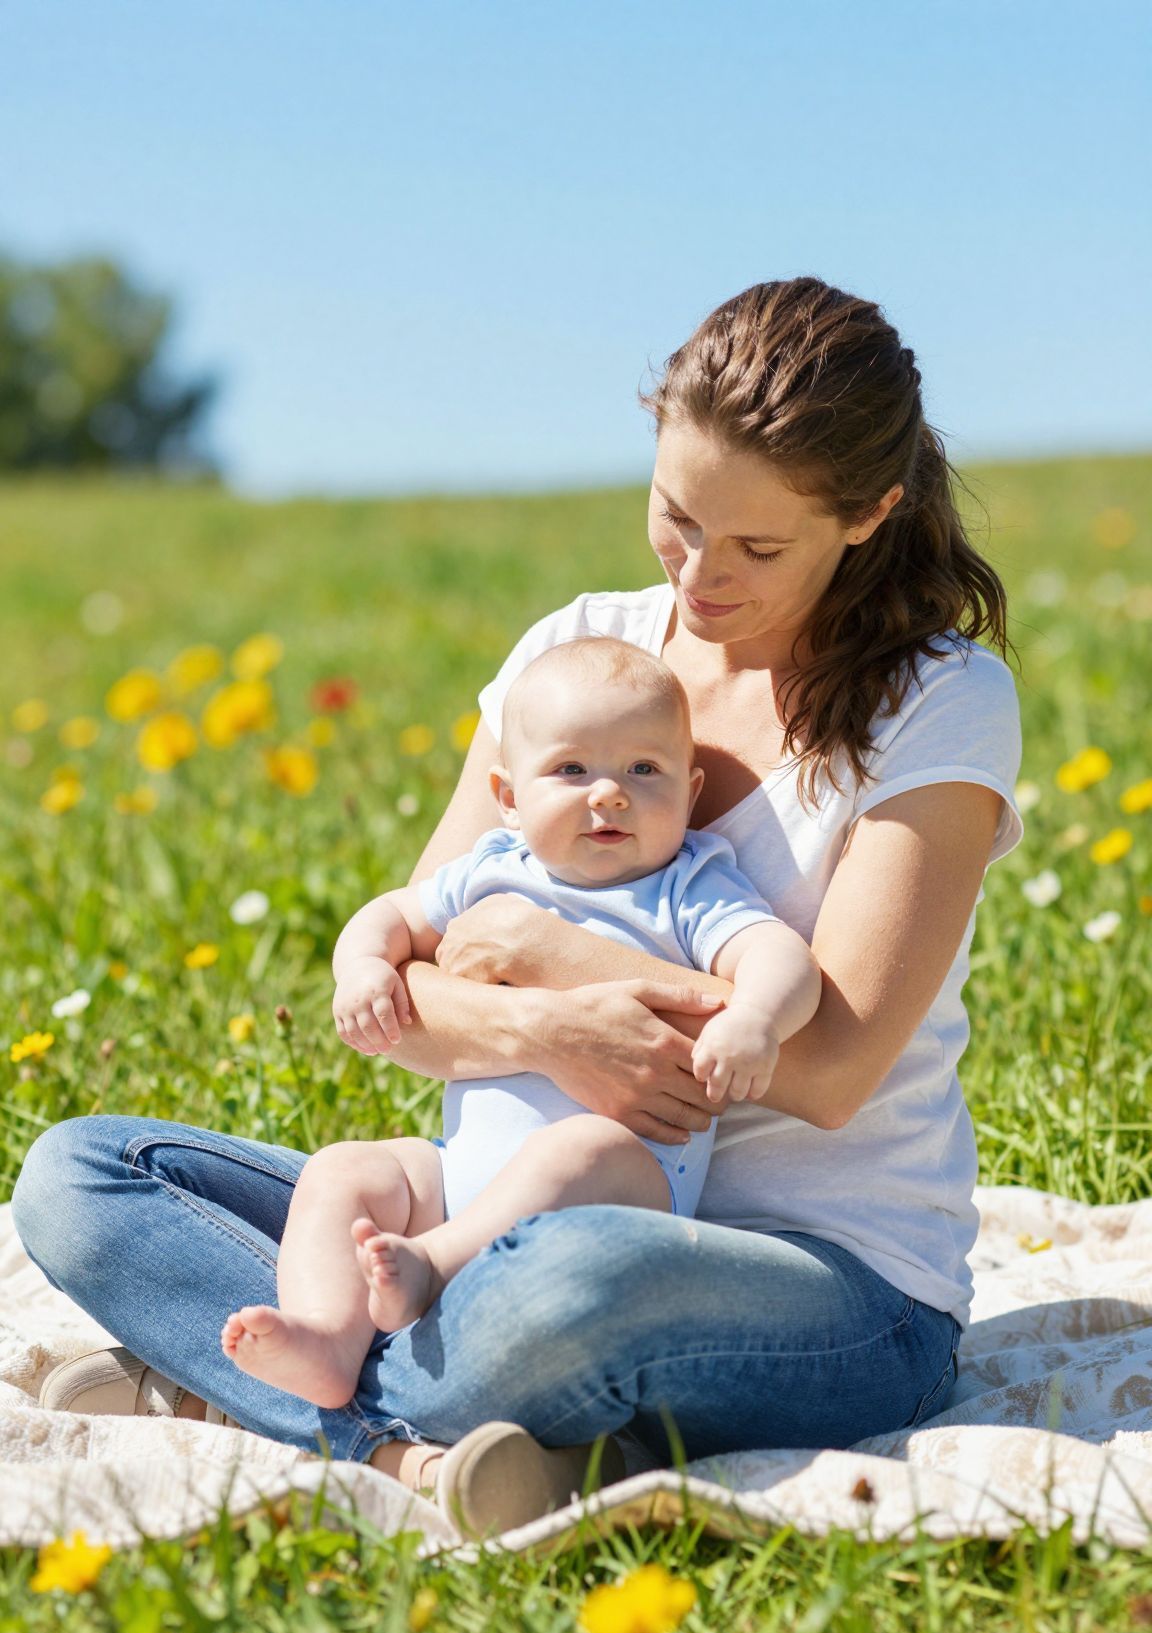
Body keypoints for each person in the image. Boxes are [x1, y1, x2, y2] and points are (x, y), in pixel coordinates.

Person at [13, 276, 1022, 1538]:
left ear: (870, 512)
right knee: (79, 1176)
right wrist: (557, 1034)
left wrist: (546, 957)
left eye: (758, 548)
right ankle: (402, 1440)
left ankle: (252, 1397)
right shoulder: (581, 653)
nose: (701, 575)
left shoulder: (937, 701)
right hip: (487, 1213)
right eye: (676, 516)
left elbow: (828, 1069)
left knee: (561, 1284)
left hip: (823, 1280)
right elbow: (416, 979)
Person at [220, 638, 820, 1405]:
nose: (608, 795)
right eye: (572, 770)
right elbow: (391, 916)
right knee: (343, 1169)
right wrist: (363, 967)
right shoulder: (492, 867)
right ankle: (327, 1337)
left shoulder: (686, 883)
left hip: (623, 1176)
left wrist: (756, 1019)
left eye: (644, 770)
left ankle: (430, 1272)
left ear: (690, 788)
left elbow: (779, 956)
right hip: (459, 1173)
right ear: (507, 795)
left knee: (577, 1145)